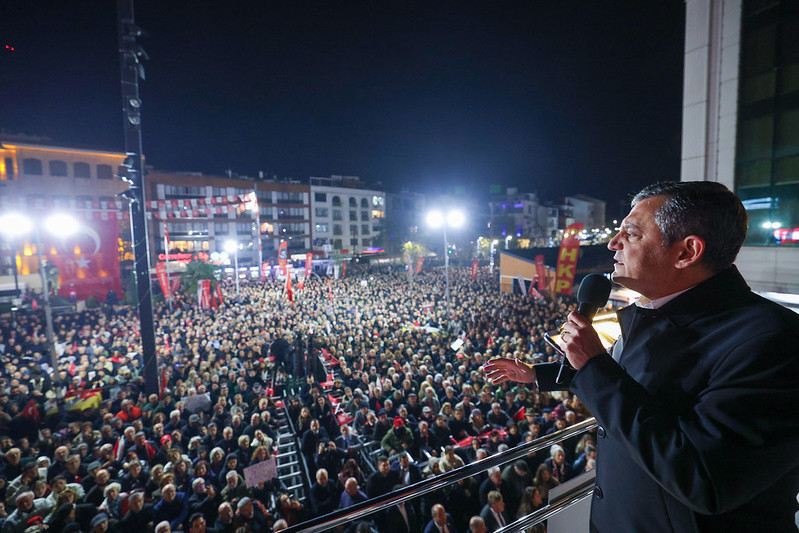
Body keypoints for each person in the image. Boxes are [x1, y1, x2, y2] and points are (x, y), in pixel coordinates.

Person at [484, 181, 799, 531]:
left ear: (686, 252)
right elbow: (640, 388)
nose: (612, 243)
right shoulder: (657, 314)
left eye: (631, 234)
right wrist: (540, 375)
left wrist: (594, 365)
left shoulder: (774, 340)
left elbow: (705, 479)